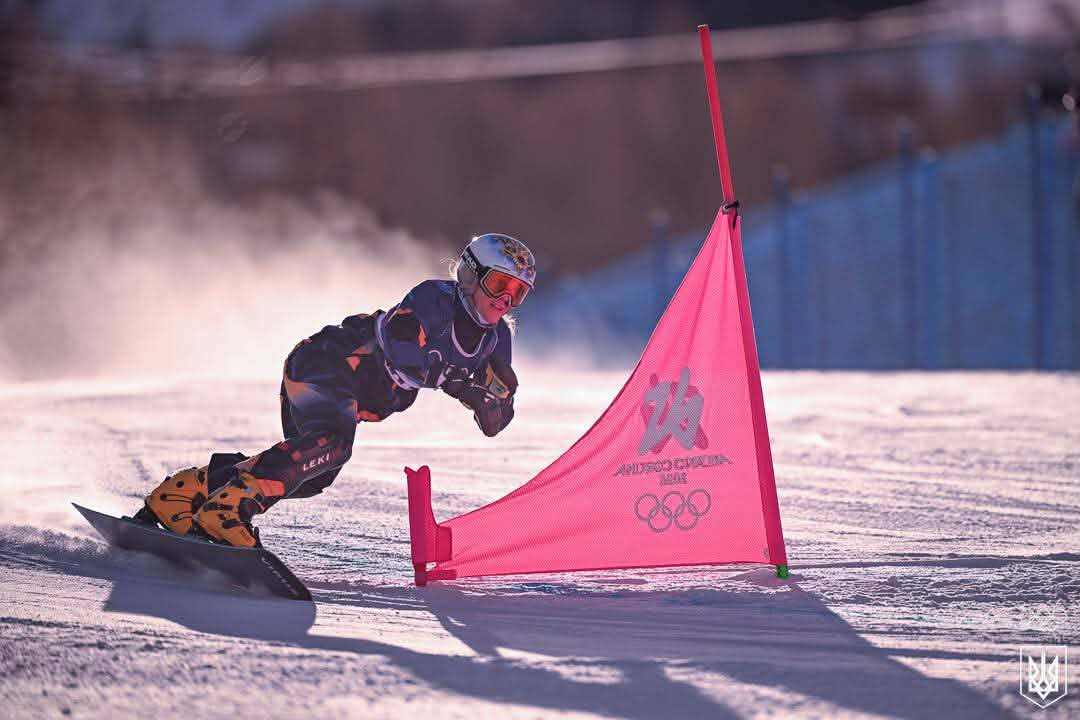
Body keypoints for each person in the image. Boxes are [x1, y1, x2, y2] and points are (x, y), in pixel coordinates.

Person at [133, 233, 535, 547]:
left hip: (352, 393)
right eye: (499, 283)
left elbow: (494, 418)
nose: (505, 299)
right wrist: (456, 380)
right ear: (469, 273)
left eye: (517, 292)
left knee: (313, 476)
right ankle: (226, 512)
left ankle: (183, 493)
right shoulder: (435, 298)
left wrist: (494, 402)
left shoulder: (497, 339)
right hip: (327, 363)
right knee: (331, 444)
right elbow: (401, 345)